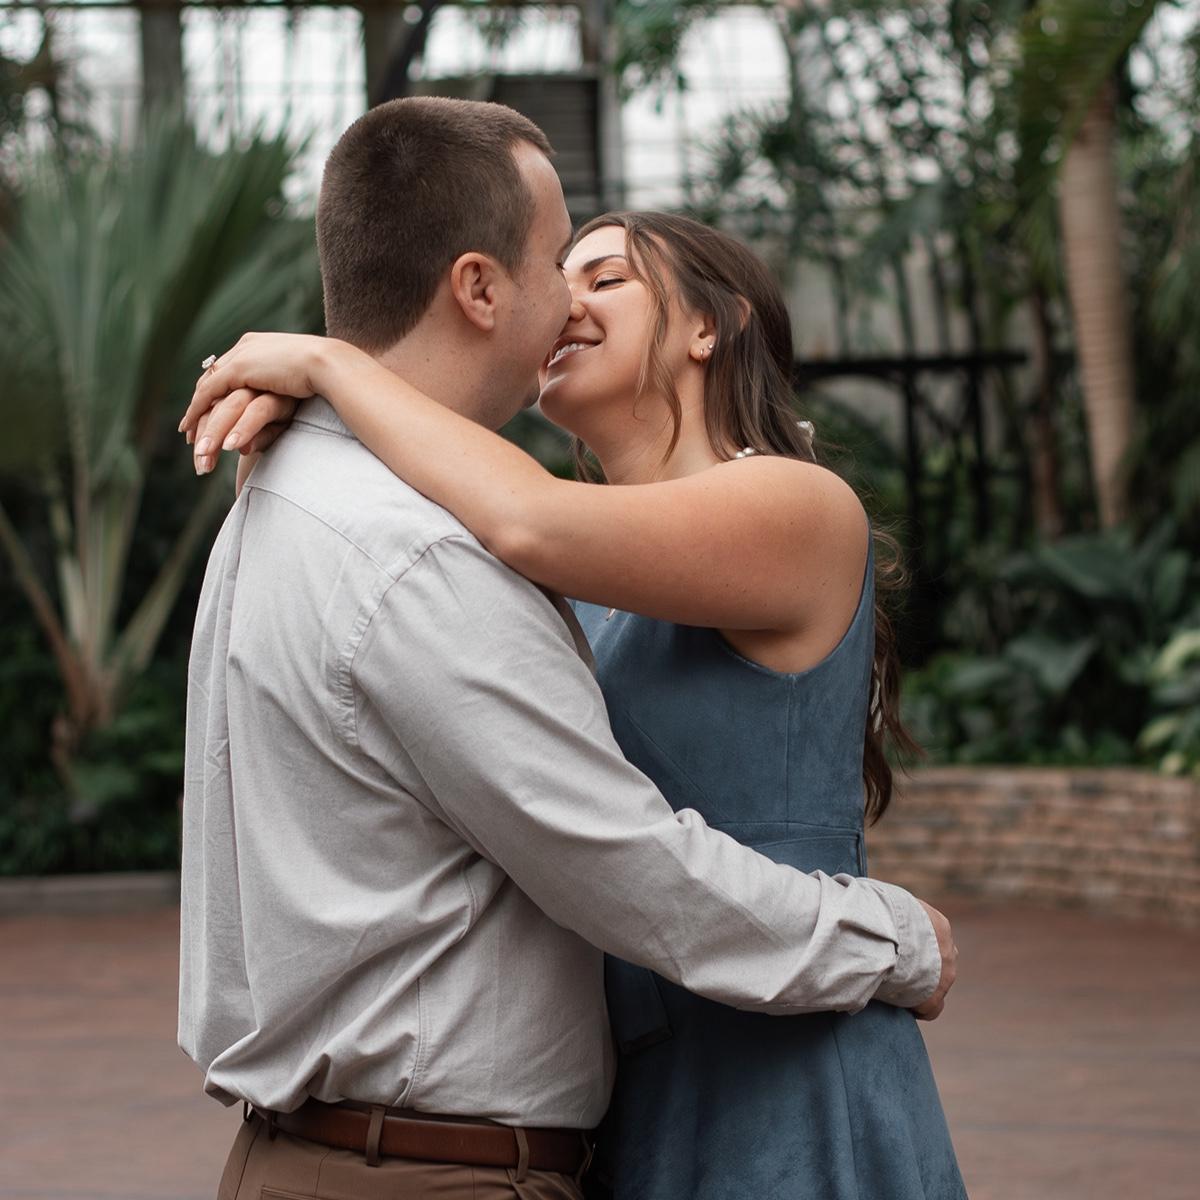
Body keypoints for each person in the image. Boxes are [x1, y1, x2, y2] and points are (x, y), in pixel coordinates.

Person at [178, 98, 958, 1200]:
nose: (568, 302)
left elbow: (529, 516)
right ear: (479, 287)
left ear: (709, 325)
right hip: (636, 1083)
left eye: (607, 276)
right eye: (562, 266)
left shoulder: (791, 506)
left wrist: (337, 367)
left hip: (784, 1041)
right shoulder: (541, 574)